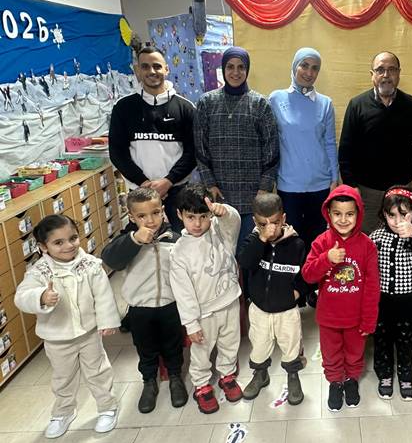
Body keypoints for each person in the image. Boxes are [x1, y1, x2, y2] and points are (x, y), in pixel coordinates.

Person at [14, 215, 120, 438]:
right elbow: (21, 296)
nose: (68, 246)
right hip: (57, 338)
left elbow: (103, 295)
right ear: (44, 247)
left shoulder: (90, 265)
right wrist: (41, 296)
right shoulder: (39, 272)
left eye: (72, 238)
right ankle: (63, 412)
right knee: (63, 378)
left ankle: (107, 407)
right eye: (58, 242)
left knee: (98, 372)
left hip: (88, 333)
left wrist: (107, 321)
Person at [101, 187, 187, 413]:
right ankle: (149, 381)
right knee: (145, 347)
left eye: (155, 213)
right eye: (141, 216)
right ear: (131, 217)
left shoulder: (174, 238)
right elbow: (110, 259)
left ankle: (175, 377)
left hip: (170, 305)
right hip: (140, 308)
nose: (150, 221)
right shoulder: (127, 241)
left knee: (173, 344)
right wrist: (134, 240)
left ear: (163, 211)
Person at [302, 185, 380, 412]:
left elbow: (372, 286)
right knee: (331, 354)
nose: (343, 220)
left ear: (359, 214)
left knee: (355, 353)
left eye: (349, 214)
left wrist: (369, 320)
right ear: (328, 213)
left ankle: (351, 380)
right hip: (328, 318)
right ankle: (335, 383)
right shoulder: (321, 242)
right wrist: (326, 259)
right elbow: (308, 275)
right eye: (337, 213)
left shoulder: (367, 245)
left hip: (356, 318)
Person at [194, 46, 279, 248]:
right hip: (218, 194)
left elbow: (271, 150)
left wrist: (264, 188)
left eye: (241, 67)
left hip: (253, 195)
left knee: (249, 251)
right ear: (223, 69)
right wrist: (210, 184)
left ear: (247, 70)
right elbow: (200, 148)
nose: (235, 72)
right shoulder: (207, 102)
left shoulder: (260, 104)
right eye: (230, 67)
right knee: (220, 252)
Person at [338, 51, 412, 232]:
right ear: (372, 74)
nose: (386, 75)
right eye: (380, 70)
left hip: (403, 189)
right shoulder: (357, 105)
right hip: (367, 193)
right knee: (368, 240)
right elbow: (346, 149)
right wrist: (351, 185)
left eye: (392, 70)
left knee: (404, 239)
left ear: (399, 73)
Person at [169, 184, 242, 414]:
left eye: (203, 216)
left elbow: (234, 222)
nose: (198, 223)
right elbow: (183, 292)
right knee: (201, 351)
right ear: (179, 215)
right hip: (203, 313)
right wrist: (191, 324)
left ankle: (227, 375)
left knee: (230, 344)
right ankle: (201, 384)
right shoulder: (179, 252)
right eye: (191, 217)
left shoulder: (219, 231)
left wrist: (224, 212)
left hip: (230, 302)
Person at [109, 46, 196, 233]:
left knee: (181, 241)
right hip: (139, 194)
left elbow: (193, 152)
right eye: (145, 66)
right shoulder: (123, 108)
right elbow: (117, 152)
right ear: (137, 70)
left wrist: (168, 181)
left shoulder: (186, 108)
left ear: (166, 69)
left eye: (157, 66)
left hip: (176, 193)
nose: (152, 71)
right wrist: (143, 183)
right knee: (142, 243)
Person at [237, 192, 310, 405]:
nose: (270, 229)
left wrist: (297, 293)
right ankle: (260, 375)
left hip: (287, 310)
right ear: (255, 222)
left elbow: (306, 274)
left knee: (291, 346)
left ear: (283, 218)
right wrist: (261, 239)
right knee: (259, 345)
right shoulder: (253, 240)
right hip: (259, 308)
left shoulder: (296, 244)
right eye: (263, 224)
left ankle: (293, 377)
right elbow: (245, 263)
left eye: (275, 223)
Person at [370, 186, 412, 401]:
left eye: (404, 214)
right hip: (382, 299)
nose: (397, 221)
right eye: (391, 215)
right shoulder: (377, 236)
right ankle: (385, 375)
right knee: (382, 338)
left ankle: (406, 376)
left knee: (407, 339)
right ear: (384, 214)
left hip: (410, 300)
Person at [269, 47, 339, 251]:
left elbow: (330, 142)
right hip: (289, 185)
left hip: (321, 185)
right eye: (304, 65)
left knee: (317, 243)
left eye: (315, 68)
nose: (309, 72)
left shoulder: (325, 103)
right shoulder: (275, 99)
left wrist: (334, 179)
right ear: (294, 66)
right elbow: (269, 142)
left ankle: (315, 274)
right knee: (290, 243)